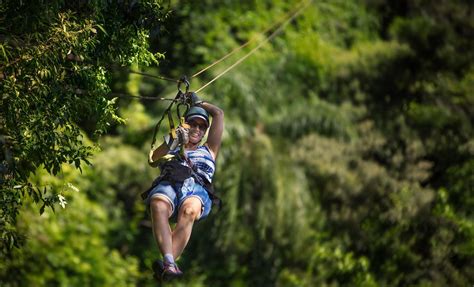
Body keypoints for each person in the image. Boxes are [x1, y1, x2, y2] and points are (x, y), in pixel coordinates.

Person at [144, 93, 224, 280]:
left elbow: (218, 114)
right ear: (185, 124)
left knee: (189, 210)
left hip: (196, 189)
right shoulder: (173, 142)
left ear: (205, 131)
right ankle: (170, 263)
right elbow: (154, 159)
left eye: (202, 126)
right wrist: (173, 139)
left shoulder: (209, 150)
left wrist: (198, 102)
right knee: (157, 203)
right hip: (170, 185)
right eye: (193, 124)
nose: (197, 129)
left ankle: (168, 264)